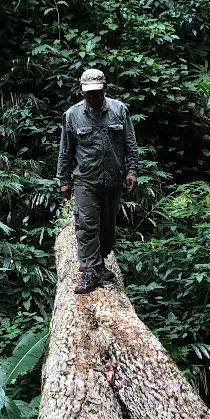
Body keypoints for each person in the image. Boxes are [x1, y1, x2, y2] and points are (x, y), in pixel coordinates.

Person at [57, 68, 139, 294]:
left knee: (108, 229)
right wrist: (64, 180)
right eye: (88, 94)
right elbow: (66, 151)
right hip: (85, 180)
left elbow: (130, 143)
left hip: (112, 179)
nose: (93, 98)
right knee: (87, 224)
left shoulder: (119, 110)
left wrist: (132, 170)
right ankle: (89, 271)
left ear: (105, 89)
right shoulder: (72, 115)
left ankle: (99, 263)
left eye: (97, 93)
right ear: (82, 93)